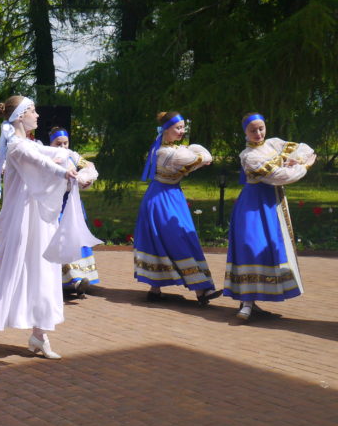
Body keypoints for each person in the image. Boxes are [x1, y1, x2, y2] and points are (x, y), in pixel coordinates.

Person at [0, 96, 86, 358]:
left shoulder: (32, 144)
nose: (38, 115)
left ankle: (39, 335)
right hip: (18, 220)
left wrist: (76, 159)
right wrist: (63, 172)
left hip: (40, 217)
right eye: (32, 110)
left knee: (44, 270)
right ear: (20, 116)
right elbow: (41, 162)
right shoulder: (16, 147)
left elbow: (51, 152)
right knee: (5, 269)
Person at [224, 113, 315, 324]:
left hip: (271, 205)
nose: (258, 133)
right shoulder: (248, 156)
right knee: (251, 247)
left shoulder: (274, 144)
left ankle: (252, 301)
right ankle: (246, 301)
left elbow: (306, 148)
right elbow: (280, 177)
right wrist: (304, 166)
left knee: (270, 247)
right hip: (253, 205)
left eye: (261, 128)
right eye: (253, 130)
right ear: (245, 132)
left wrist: (297, 158)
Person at [133, 112, 222, 304]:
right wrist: (199, 154)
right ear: (166, 129)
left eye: (183, 127)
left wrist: (197, 153)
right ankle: (202, 290)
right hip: (162, 200)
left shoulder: (169, 148)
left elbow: (201, 157)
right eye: (178, 128)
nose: (182, 131)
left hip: (170, 196)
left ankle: (156, 290)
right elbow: (203, 158)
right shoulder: (167, 153)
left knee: (168, 240)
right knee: (179, 239)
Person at [49, 127, 100, 297]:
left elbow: (89, 166)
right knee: (63, 239)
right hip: (55, 205)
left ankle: (79, 278)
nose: (63, 146)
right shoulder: (49, 156)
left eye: (65, 142)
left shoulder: (72, 155)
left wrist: (85, 179)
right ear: (52, 142)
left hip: (72, 203)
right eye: (59, 143)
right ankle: (72, 279)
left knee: (77, 238)